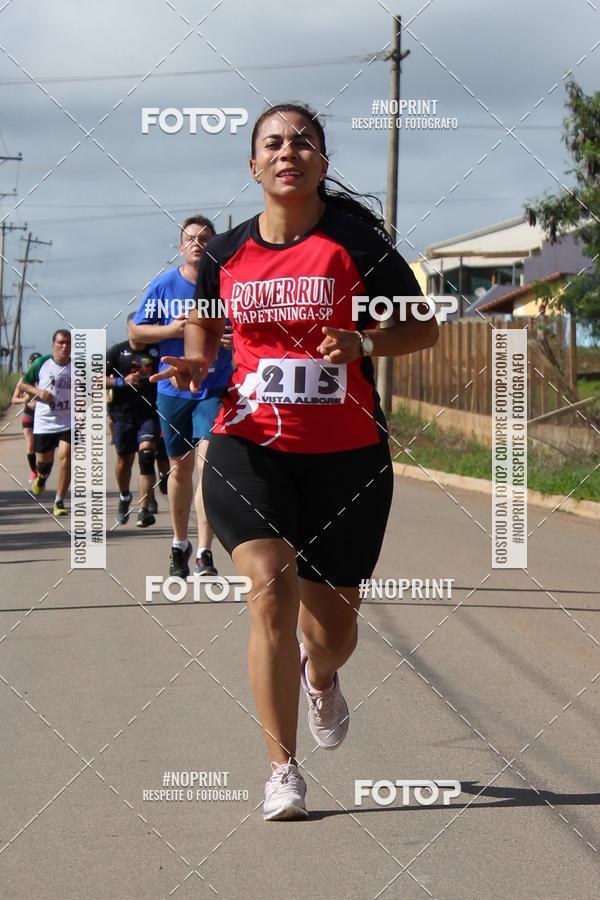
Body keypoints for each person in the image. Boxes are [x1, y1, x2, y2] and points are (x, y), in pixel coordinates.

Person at [155, 103, 439, 820]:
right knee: (269, 588)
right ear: (253, 165)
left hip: (348, 460)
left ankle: (321, 676)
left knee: (333, 632)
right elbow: (205, 325)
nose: (289, 152)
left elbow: (422, 326)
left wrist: (364, 345)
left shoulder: (355, 242)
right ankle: (282, 771)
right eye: (273, 143)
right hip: (249, 445)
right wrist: (196, 362)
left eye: (304, 141)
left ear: (322, 160)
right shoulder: (223, 254)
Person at [130, 216, 233, 576]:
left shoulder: (228, 285)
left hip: (215, 387)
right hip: (172, 388)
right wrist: (171, 329)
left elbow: (251, 329)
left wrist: (233, 338)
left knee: (209, 465)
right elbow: (136, 334)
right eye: (190, 238)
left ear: (214, 245)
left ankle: (205, 550)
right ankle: (180, 543)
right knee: (180, 468)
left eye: (205, 238)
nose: (198, 243)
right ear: (180, 246)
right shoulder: (164, 286)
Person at [105, 316, 162, 528]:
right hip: (123, 414)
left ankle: (144, 509)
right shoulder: (117, 352)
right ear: (129, 329)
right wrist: (121, 381)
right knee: (124, 460)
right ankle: (124, 496)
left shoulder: (156, 349)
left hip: (149, 412)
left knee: (146, 456)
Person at [20, 330, 72, 516]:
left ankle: (59, 501)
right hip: (44, 423)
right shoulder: (41, 364)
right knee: (44, 464)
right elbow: (23, 385)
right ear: (53, 344)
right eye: (61, 342)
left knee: (66, 457)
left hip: (67, 421)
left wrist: (120, 382)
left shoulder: (78, 366)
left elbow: (95, 381)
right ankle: (41, 477)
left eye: (68, 342)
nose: (64, 346)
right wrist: (39, 392)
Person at [12, 351, 42, 483]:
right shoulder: (23, 380)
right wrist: (25, 398)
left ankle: (42, 470)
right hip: (28, 413)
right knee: (30, 445)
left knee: (41, 446)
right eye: (33, 363)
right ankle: (33, 472)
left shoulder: (46, 379)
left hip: (43, 416)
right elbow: (14, 399)